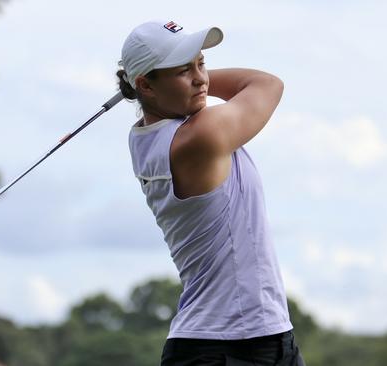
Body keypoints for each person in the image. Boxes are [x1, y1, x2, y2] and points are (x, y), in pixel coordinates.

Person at [117, 20, 306, 366]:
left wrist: (157, 81)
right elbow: (267, 84)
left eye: (201, 63)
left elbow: (243, 85)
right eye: (183, 71)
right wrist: (149, 82)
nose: (201, 79)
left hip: (266, 339)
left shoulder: (143, 136)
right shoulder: (200, 136)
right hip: (222, 349)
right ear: (146, 85)